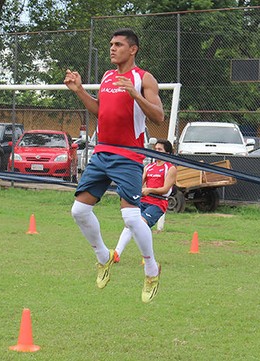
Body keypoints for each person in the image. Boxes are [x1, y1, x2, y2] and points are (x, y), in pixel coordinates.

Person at [64, 28, 164, 303]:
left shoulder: (143, 78)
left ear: (132, 50)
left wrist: (135, 94)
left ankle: (152, 270)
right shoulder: (107, 76)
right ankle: (104, 256)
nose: (112, 48)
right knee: (79, 211)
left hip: (129, 155)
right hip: (102, 152)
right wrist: (80, 91)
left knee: (131, 217)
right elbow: (101, 111)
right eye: (111, 44)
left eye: (118, 44)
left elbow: (158, 115)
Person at [114, 139, 177, 262]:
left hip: (158, 203)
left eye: (160, 150)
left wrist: (149, 190)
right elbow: (139, 184)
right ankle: (116, 254)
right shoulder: (148, 167)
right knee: (130, 224)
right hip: (143, 201)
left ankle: (148, 257)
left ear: (167, 153)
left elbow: (165, 189)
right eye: (156, 149)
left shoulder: (170, 168)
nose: (156, 151)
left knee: (141, 224)